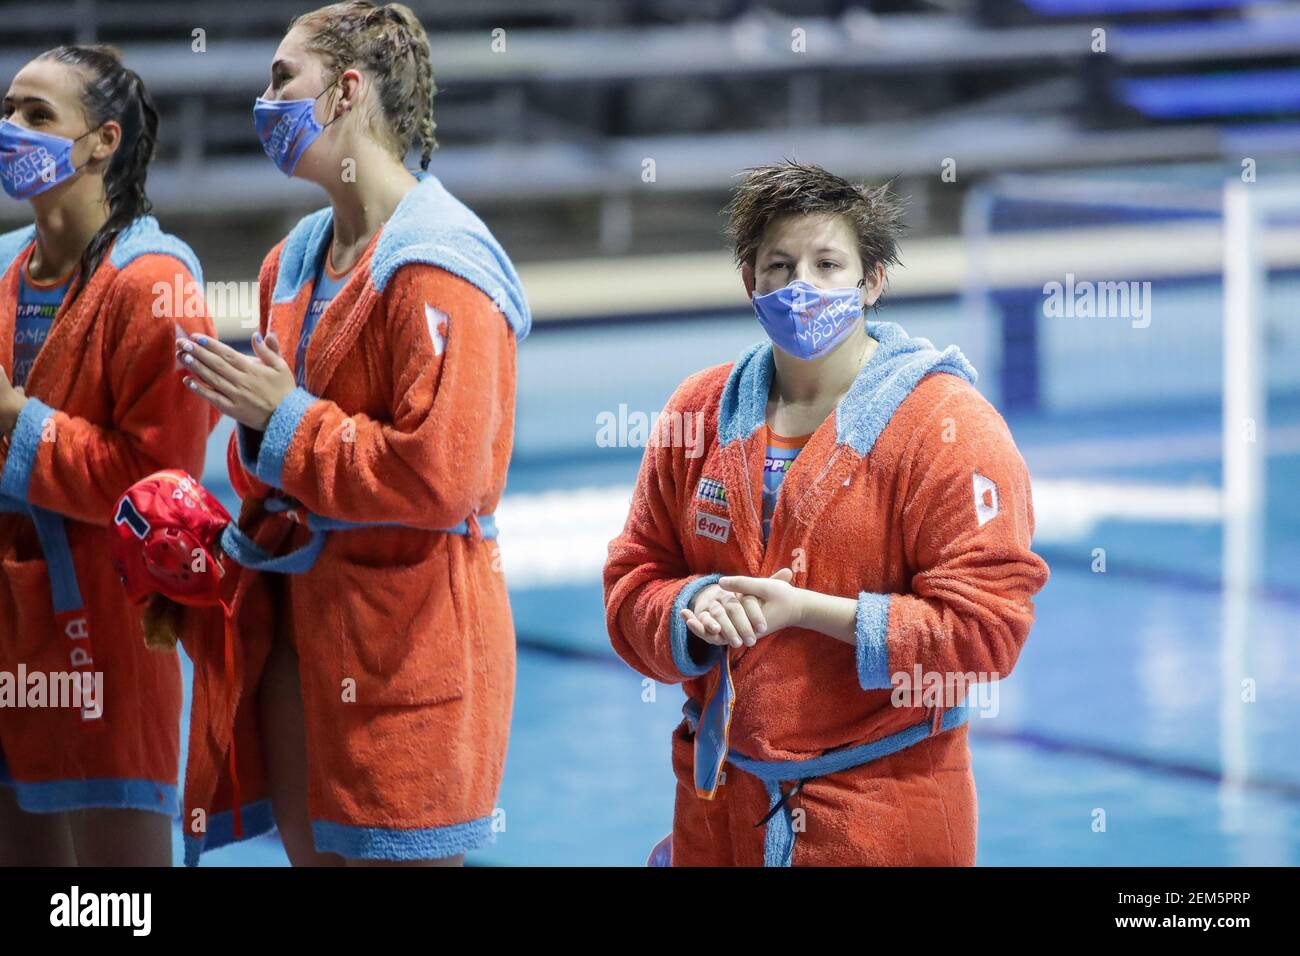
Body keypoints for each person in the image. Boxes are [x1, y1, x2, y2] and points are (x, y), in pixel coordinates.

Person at [604, 160, 1050, 866]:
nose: (800, 286)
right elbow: (633, 577)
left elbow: (984, 634)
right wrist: (691, 605)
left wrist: (805, 610)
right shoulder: (700, 411)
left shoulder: (948, 427)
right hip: (719, 807)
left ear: (872, 281)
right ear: (749, 280)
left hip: (882, 813)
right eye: (779, 265)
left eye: (827, 263)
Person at [176, 1, 529, 867]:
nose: (264, 103)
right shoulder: (291, 261)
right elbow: (267, 454)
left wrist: (286, 421)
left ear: (345, 91)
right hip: (302, 627)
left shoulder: (445, 270)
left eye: (280, 80)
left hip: (412, 636)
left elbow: (441, 477)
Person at [0, 44, 217, 865]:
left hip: (104, 632)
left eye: (36, 115)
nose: (9, 128)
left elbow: (161, 489)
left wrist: (20, 424)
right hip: (10, 630)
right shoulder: (4, 269)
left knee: (115, 910)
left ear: (102, 142)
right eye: (7, 109)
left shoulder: (154, 285)